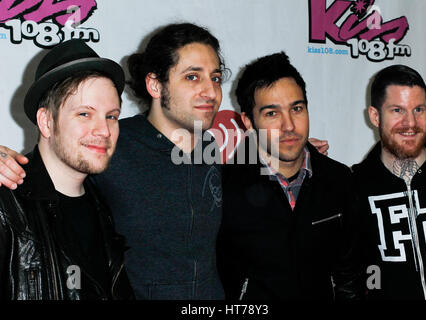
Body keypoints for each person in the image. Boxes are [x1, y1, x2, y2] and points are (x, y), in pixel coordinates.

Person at [0, 23, 329, 300]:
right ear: (155, 84)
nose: (210, 91)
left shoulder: (215, 148)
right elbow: (54, 169)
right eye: (192, 77)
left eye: (215, 78)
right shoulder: (110, 145)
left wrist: (294, 150)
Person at [217, 52, 363, 300]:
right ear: (248, 122)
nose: (289, 126)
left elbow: (352, 275)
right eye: (272, 114)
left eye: (297, 108)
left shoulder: (339, 180)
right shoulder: (223, 188)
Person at [0, 39, 134, 300]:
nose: (105, 130)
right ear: (46, 122)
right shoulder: (7, 208)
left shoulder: (104, 205)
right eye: (85, 114)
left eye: (112, 116)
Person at [352, 64, 426, 300]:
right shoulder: (355, 187)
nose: (411, 123)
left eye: (419, 109)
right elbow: (355, 275)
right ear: (375, 116)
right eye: (398, 110)